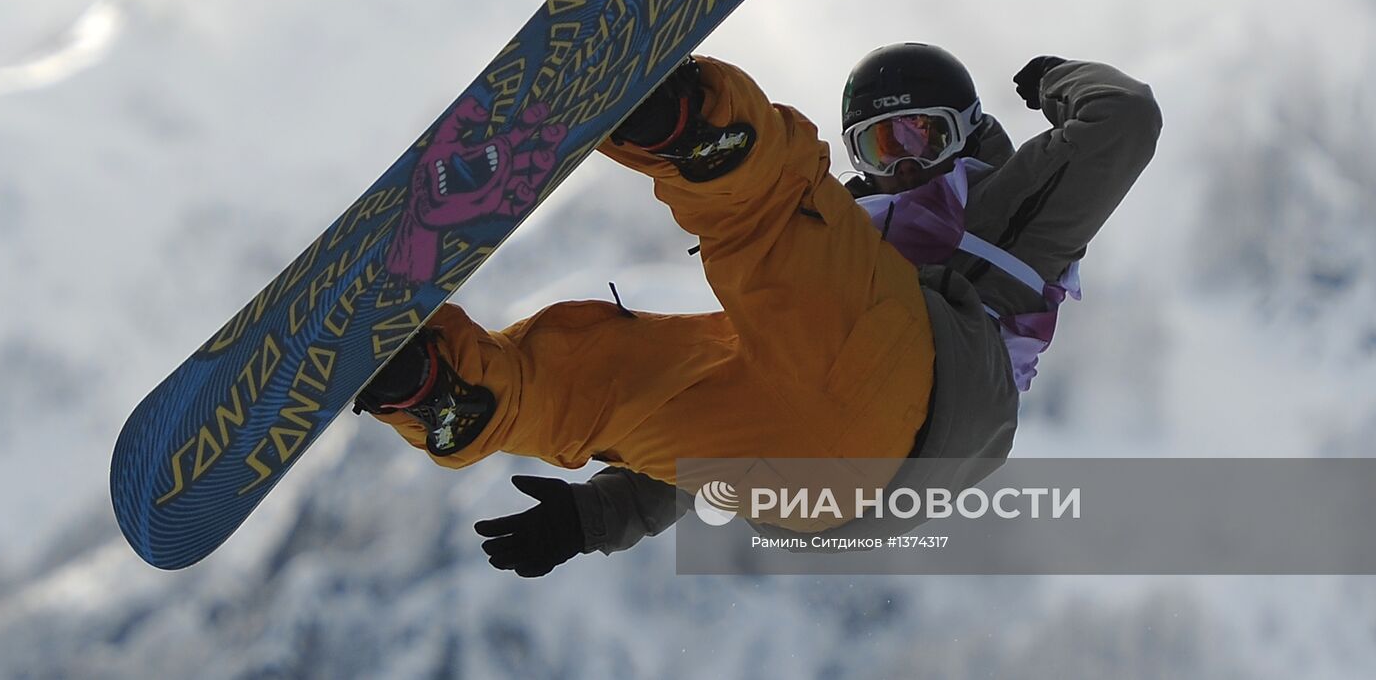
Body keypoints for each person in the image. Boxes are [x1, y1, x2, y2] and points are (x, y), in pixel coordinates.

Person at [354, 44, 1162, 576]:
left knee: (775, 222)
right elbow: (716, 426)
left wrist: (1054, 77)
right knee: (617, 373)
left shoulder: (1009, 207)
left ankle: (697, 130)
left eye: (925, 134)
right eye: (882, 146)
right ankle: (448, 395)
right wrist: (595, 518)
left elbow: (1124, 119)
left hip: (915, 388)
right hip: (808, 493)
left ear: (967, 135)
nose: (906, 160)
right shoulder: (841, 255)